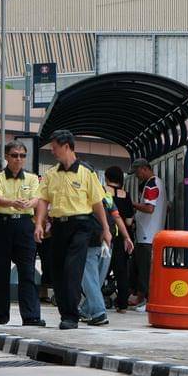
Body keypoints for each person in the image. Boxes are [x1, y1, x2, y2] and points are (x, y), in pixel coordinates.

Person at [34, 130, 111, 330]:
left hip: (81, 226)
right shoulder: (51, 174)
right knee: (57, 272)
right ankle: (65, 314)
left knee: (72, 270)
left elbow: (97, 203)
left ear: (66, 146)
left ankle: (71, 317)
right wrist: (39, 224)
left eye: (55, 147)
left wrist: (106, 229)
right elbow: (43, 200)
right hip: (59, 227)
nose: (52, 151)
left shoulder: (86, 173)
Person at [0, 140, 45, 327]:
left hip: (24, 226)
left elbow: (37, 198)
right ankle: (0, 316)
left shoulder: (32, 178)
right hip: (2, 226)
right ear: (6, 156)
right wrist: (13, 202)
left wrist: (30, 204)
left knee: (27, 271)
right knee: (0, 272)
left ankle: (31, 316)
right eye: (14, 155)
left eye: (22, 156)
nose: (18, 159)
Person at [80, 172, 134, 325]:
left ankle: (98, 312)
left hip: (92, 241)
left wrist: (126, 237)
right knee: (96, 280)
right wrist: (126, 237)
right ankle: (86, 310)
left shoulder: (84, 194)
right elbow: (116, 216)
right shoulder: (106, 195)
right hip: (107, 242)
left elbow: (116, 216)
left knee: (91, 280)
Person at [129, 158, 166, 311]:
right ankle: (141, 297)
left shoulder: (152, 184)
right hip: (149, 233)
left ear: (144, 168)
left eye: (137, 172)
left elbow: (149, 208)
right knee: (142, 268)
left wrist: (131, 203)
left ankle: (145, 300)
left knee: (144, 269)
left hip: (147, 234)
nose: (137, 176)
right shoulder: (157, 183)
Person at [105, 166, 135, 313]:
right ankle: (122, 303)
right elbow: (129, 221)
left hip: (106, 234)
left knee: (102, 269)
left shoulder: (103, 192)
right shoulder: (126, 195)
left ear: (107, 178)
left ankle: (98, 298)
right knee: (121, 270)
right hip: (123, 237)